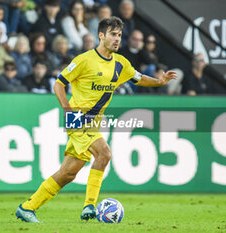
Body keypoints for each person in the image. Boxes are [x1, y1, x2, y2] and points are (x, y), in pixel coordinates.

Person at [15, 16, 176, 223]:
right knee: (104, 153)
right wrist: (67, 109)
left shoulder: (121, 63)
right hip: (77, 119)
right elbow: (58, 83)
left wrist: (159, 82)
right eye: (113, 34)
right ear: (101, 36)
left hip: (92, 122)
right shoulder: (84, 60)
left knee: (68, 173)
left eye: (119, 35)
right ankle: (90, 205)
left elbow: (139, 78)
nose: (117, 39)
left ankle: (27, 207)